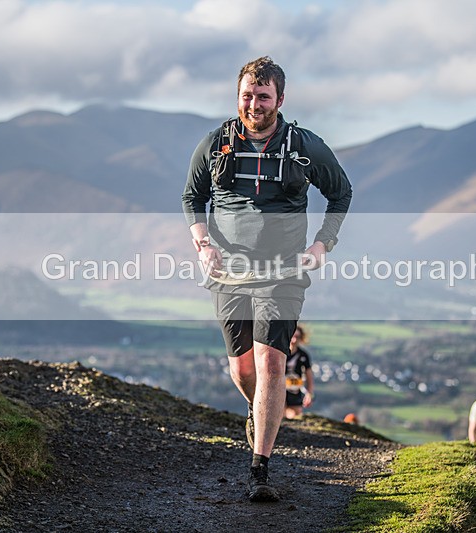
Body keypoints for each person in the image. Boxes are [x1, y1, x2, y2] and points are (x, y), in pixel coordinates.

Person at [182, 56, 352, 502]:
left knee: (271, 363)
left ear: (279, 98)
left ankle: (260, 468)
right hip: (230, 273)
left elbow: (341, 191)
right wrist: (203, 244)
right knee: (242, 368)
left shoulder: (304, 145)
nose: (253, 104)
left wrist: (322, 244)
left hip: (284, 272)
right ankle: (261, 415)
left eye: (262, 97)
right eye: (247, 96)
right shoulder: (215, 143)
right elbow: (192, 197)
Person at [284, 325, 314, 420]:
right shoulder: (280, 353)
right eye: (292, 336)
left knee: (296, 416)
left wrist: (309, 393)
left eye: (297, 337)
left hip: (295, 389)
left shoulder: (303, 355)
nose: (294, 340)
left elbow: (309, 375)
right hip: (280, 387)